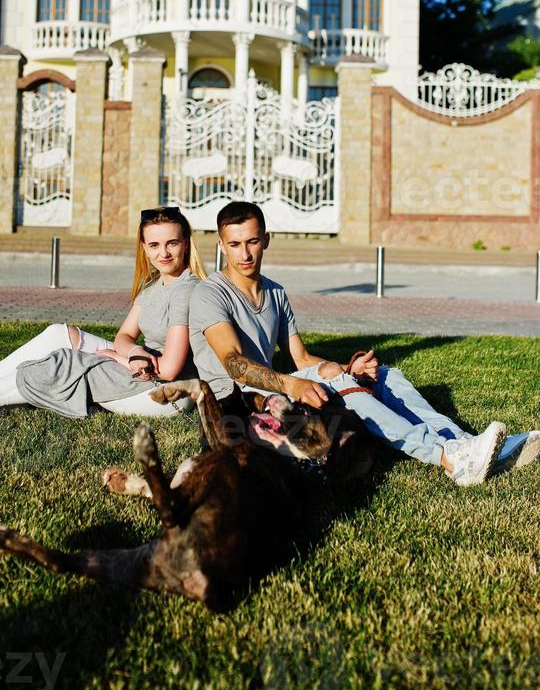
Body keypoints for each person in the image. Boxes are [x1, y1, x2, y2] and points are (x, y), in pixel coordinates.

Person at [189, 201, 540, 486]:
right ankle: (448, 458)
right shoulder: (211, 293)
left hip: (274, 388)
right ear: (221, 245)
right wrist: (296, 382)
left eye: (251, 241)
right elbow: (233, 362)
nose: (244, 253)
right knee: (341, 386)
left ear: (265, 239)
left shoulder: (275, 292)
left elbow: (300, 356)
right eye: (234, 244)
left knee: (385, 376)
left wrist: (347, 368)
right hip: (236, 403)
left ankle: (464, 442)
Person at [0, 207, 206, 419]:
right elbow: (123, 335)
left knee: (63, 363)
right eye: (154, 245)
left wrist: (117, 357)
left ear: (186, 244)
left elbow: (167, 369)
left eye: (172, 243)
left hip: (165, 394)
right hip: (141, 369)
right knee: (61, 335)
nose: (162, 253)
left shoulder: (186, 290)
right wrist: (132, 350)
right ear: (144, 247)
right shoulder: (153, 287)